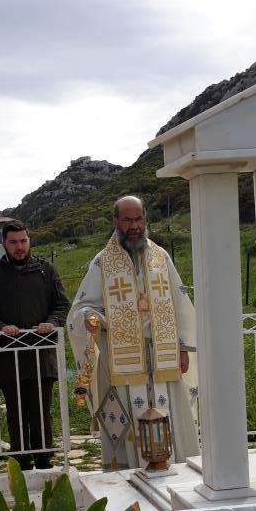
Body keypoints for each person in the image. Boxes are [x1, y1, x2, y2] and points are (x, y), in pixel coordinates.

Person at [67, 195, 199, 470]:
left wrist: (183, 347)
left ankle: (174, 468)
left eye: (139, 219)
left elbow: (179, 301)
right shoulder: (102, 262)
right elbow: (82, 306)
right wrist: (90, 316)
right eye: (128, 220)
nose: (135, 225)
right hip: (121, 359)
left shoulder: (160, 257)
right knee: (127, 416)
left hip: (162, 354)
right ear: (116, 222)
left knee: (171, 414)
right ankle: (127, 473)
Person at [0, 220, 70, 470]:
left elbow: (62, 304)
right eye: (13, 242)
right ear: (3, 244)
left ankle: (44, 458)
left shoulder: (46, 271)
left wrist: (52, 322)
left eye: (23, 241)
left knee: (41, 409)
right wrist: (0, 327)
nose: (19, 247)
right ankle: (21, 460)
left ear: (29, 241)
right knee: (16, 411)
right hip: (9, 354)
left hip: (42, 352)